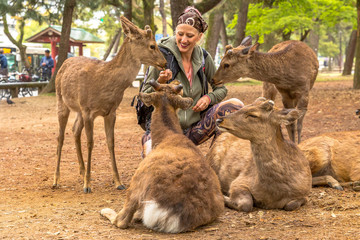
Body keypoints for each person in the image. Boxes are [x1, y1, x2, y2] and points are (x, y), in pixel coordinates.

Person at [141, 6, 244, 158]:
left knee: (235, 106)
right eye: (180, 34)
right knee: (151, 158)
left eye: (189, 36)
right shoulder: (162, 55)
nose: (183, 40)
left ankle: (215, 161)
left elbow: (221, 88)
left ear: (199, 36)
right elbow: (144, 99)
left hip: (194, 129)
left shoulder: (204, 57)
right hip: (164, 132)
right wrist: (159, 81)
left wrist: (209, 98)